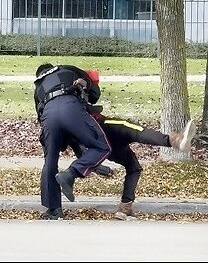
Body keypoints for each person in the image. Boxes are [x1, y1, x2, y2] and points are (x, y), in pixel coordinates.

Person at [64, 69, 197, 220]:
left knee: (133, 167)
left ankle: (125, 208)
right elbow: (89, 81)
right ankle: (175, 141)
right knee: (133, 129)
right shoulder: (70, 95)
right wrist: (82, 82)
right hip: (105, 127)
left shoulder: (62, 114)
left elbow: (79, 150)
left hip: (102, 145)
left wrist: (97, 167)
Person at [34, 63, 112, 220]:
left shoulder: (39, 87)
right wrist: (86, 85)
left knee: (50, 162)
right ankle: (71, 173)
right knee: (102, 147)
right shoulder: (68, 69)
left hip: (49, 117)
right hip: (71, 107)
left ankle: (53, 210)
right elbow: (95, 94)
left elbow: (40, 116)